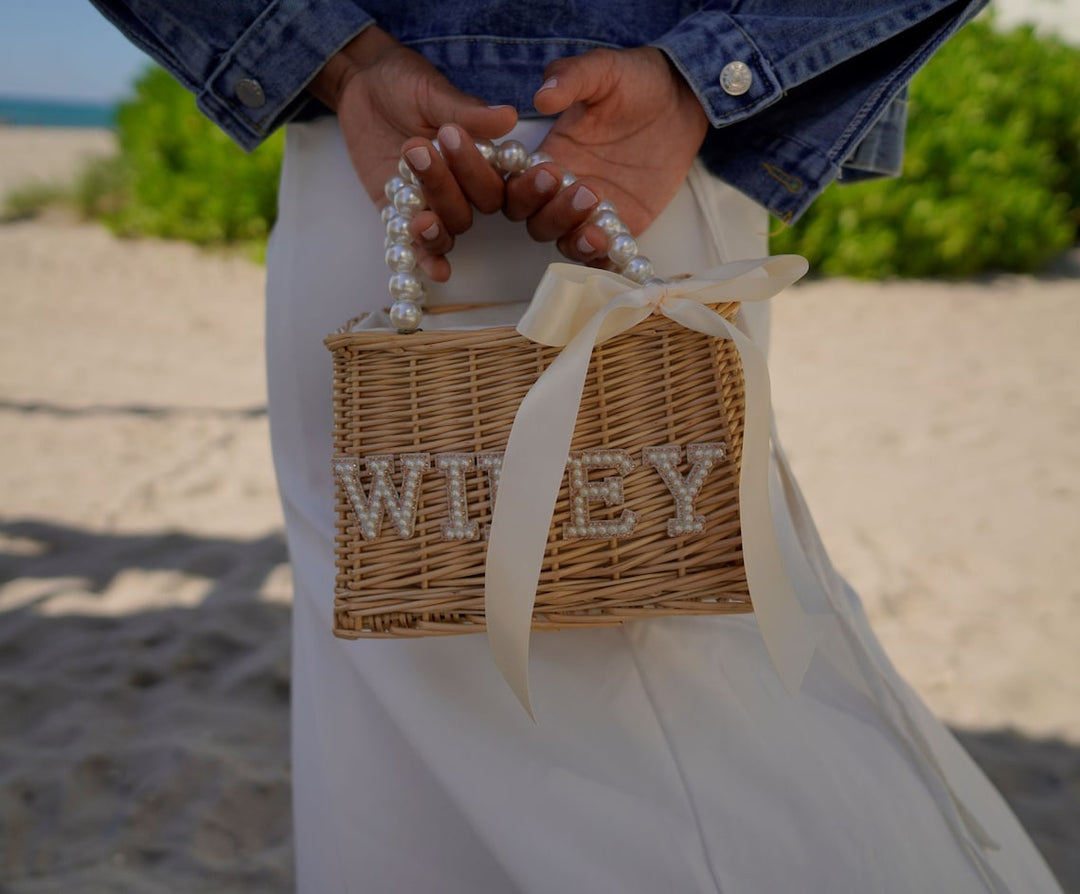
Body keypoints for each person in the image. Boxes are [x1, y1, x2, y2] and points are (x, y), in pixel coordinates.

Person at [89, 3, 1065, 892]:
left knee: (661, 754)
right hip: (531, 143)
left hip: (488, 147)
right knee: (425, 773)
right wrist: (715, 69)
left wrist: (330, 56)